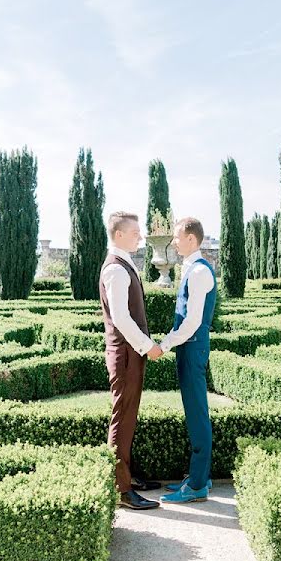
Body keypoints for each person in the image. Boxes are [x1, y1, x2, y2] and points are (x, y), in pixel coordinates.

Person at [99, 211, 163, 510]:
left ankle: (127, 476)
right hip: (126, 354)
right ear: (120, 234)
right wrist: (147, 346)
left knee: (128, 416)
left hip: (129, 354)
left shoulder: (124, 265)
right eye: (135, 231)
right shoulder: (116, 269)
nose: (140, 236)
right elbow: (121, 317)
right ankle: (121, 489)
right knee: (122, 418)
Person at [157, 217, 217, 504]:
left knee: (197, 414)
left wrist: (165, 344)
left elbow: (192, 321)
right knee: (195, 412)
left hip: (192, 346)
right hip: (191, 346)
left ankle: (196, 485)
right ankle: (199, 477)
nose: (174, 242)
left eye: (178, 237)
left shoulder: (198, 272)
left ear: (191, 239)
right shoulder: (193, 269)